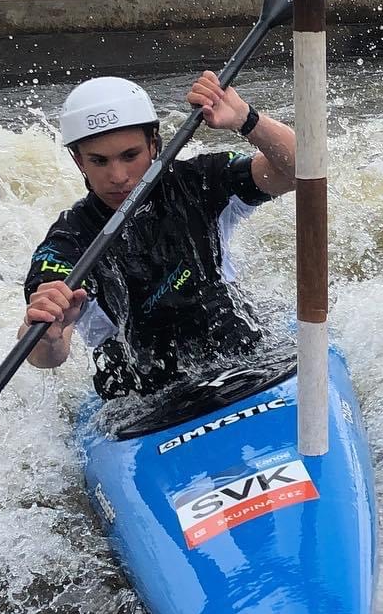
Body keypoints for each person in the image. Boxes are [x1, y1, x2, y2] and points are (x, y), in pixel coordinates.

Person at [21, 72, 296, 398]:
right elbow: (46, 355)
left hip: (245, 359)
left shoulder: (200, 182)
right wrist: (47, 334)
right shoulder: (68, 242)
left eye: (130, 155)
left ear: (154, 144)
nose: (118, 177)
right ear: (78, 160)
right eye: (99, 161)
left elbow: (303, 170)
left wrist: (246, 119)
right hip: (145, 402)